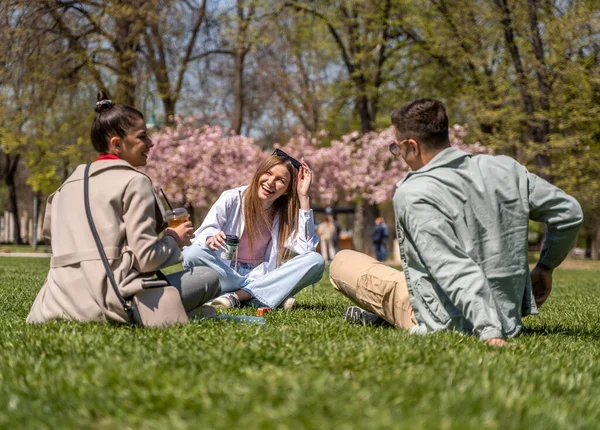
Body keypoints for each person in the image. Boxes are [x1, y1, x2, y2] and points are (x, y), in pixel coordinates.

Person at [329, 98, 583, 346]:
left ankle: (385, 314)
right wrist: (546, 267)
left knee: (342, 262)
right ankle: (381, 314)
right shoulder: (506, 169)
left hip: (449, 320)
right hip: (508, 315)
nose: (399, 155)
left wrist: (489, 330)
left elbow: (453, 266)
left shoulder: (415, 191)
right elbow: (569, 213)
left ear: (412, 146)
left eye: (397, 148)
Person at [27, 91, 220, 324]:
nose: (151, 143)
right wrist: (173, 239)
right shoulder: (135, 181)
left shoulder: (65, 185)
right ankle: (172, 315)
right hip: (112, 302)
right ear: (117, 144)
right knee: (208, 276)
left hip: (55, 303)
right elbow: (146, 259)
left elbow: (51, 238)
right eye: (143, 137)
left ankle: (190, 315)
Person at [182, 149, 325, 310]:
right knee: (191, 254)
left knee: (316, 261)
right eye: (268, 173)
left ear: (286, 190)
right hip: (226, 272)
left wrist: (303, 196)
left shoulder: (284, 214)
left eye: (280, 180)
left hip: (260, 274)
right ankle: (265, 295)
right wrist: (211, 238)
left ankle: (238, 296)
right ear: (259, 172)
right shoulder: (232, 198)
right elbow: (203, 234)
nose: (270, 182)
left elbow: (307, 250)